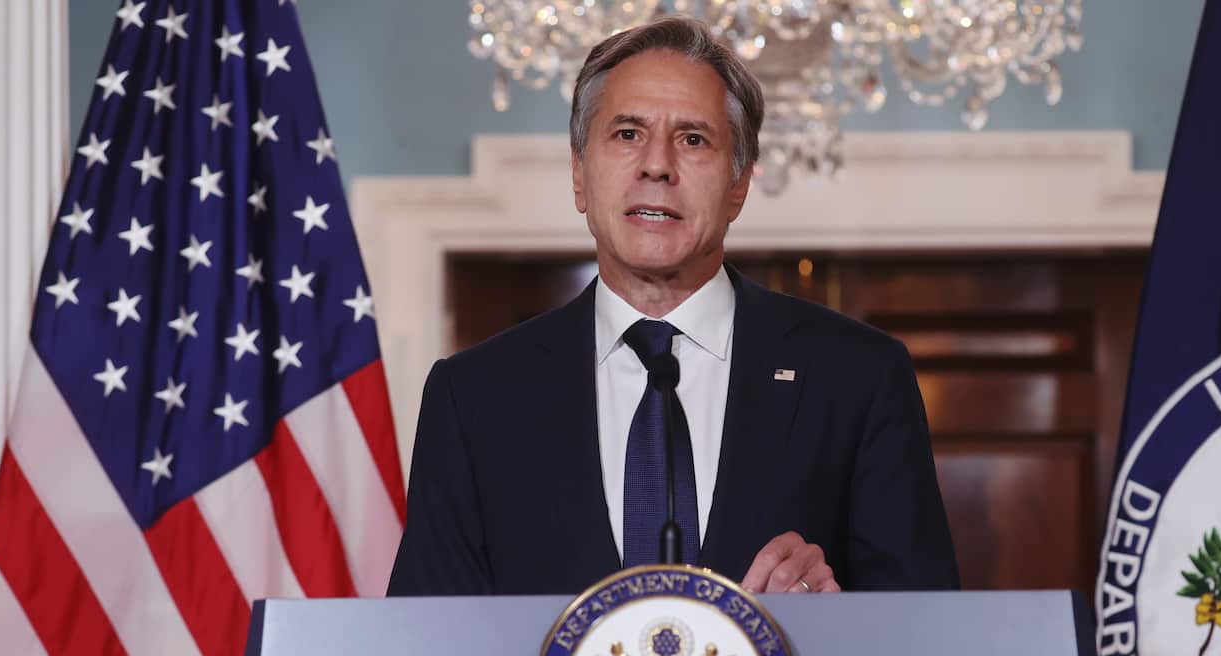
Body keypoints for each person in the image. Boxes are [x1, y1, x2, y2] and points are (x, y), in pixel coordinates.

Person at [387, 16, 958, 597]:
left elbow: (926, 640)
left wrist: (831, 629)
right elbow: (428, 649)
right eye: (628, 133)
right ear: (580, 175)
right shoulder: (475, 396)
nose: (657, 164)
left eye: (693, 139)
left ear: (739, 185)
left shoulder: (858, 376)